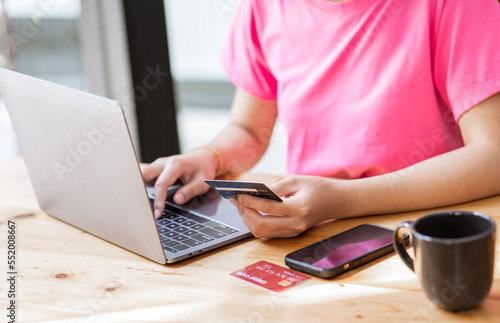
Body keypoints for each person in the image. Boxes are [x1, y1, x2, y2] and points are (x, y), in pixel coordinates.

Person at [142, 0, 500, 238]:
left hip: (422, 232)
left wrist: (345, 199)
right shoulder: (267, 7)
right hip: (305, 230)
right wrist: (210, 156)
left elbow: (493, 155)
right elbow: (249, 129)